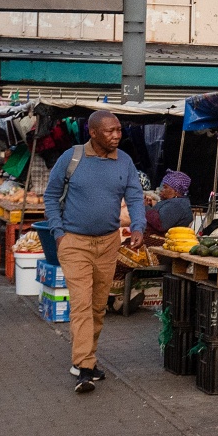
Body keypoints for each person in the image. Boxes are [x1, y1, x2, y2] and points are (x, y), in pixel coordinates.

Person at [43, 109, 146, 394]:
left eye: (118, 130)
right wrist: (59, 233)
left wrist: (138, 226)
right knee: (81, 303)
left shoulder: (123, 161)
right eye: (110, 131)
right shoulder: (72, 157)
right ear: (93, 133)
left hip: (108, 243)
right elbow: (51, 196)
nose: (117, 135)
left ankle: (87, 357)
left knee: (99, 304)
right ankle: (84, 367)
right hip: (74, 242)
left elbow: (135, 197)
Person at [147, 170, 194, 236]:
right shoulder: (177, 201)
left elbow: (160, 224)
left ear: (176, 191)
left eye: (165, 187)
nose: (162, 190)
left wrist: (145, 207)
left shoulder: (177, 205)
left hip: (162, 242)